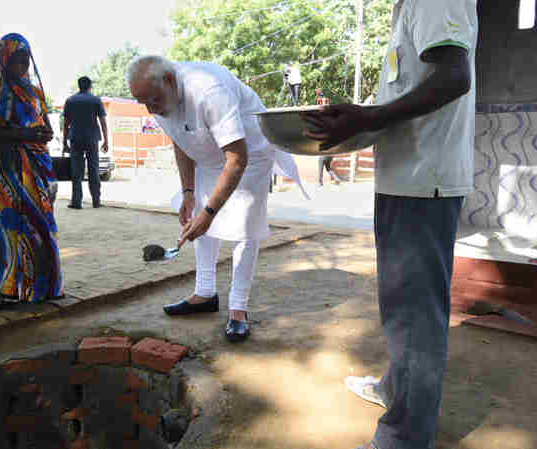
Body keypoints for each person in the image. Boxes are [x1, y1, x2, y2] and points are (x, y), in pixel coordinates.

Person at [301, 1, 477, 448]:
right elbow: (416, 94)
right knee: (403, 310)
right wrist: (364, 122)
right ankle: (395, 390)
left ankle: (404, 439)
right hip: (407, 180)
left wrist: (371, 117)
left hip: (423, 182)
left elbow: (455, 76)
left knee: (415, 319)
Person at [127, 55, 306, 343]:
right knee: (198, 214)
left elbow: (237, 160)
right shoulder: (162, 101)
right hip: (208, 154)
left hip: (251, 152)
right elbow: (181, 141)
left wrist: (210, 213)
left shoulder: (209, 91)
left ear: (170, 81)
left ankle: (238, 309)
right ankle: (205, 293)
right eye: (143, 103)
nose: (151, 110)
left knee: (244, 226)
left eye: (153, 100)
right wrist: (188, 193)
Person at [0, 33, 64, 304]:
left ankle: (42, 287)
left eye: (26, 59)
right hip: (3, 171)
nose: (22, 64)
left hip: (35, 168)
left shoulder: (34, 91)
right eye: (16, 59)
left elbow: (45, 125)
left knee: (39, 226)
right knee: (6, 228)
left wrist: (43, 133)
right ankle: (7, 289)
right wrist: (26, 135)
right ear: (4, 58)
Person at [63, 76, 109, 209]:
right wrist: (106, 140)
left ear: (79, 86)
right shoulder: (96, 100)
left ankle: (76, 202)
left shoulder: (70, 100)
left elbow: (66, 124)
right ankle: (96, 201)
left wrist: (64, 143)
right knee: (93, 169)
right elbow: (103, 122)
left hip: (75, 139)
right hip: (92, 138)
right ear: (90, 86)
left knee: (76, 171)